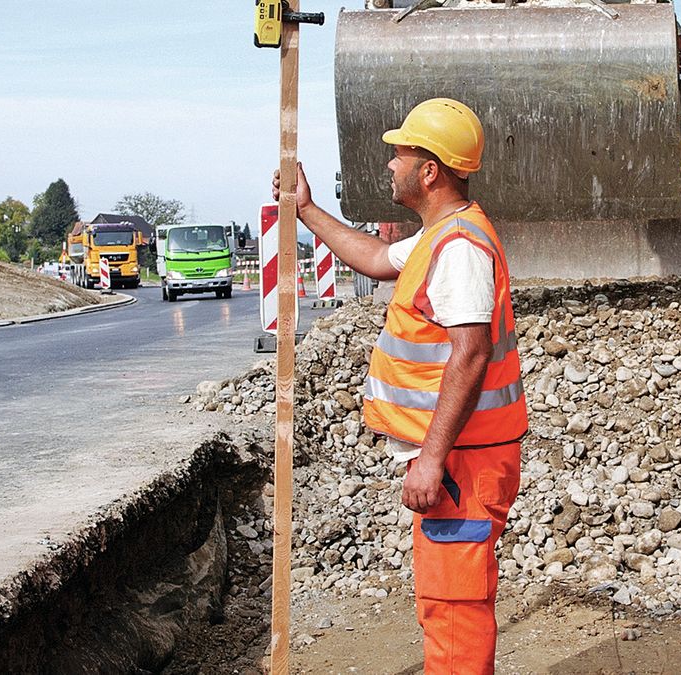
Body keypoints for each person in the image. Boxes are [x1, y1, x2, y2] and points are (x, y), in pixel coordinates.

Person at [271, 97, 528, 674]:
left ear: (430, 171)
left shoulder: (459, 247)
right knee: (446, 605)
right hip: (462, 455)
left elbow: (471, 352)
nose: (390, 165)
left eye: (399, 154)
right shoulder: (441, 235)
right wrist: (307, 210)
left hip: (463, 460)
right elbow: (378, 257)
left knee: (455, 609)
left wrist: (431, 460)